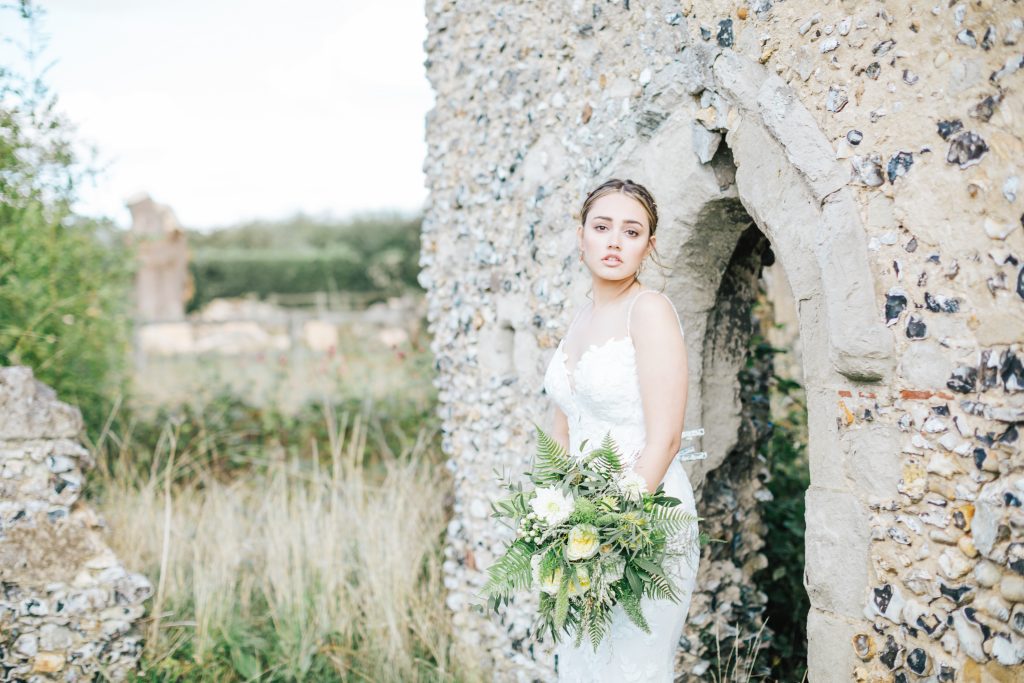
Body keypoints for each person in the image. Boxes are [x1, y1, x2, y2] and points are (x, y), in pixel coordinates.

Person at [541, 178, 700, 682]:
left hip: (644, 520)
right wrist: (558, 520)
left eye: (631, 232)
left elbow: (666, 439)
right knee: (581, 664)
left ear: (648, 246)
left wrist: (612, 528)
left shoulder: (648, 311)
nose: (614, 241)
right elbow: (561, 428)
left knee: (631, 670)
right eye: (602, 226)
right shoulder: (581, 318)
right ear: (581, 234)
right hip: (580, 528)